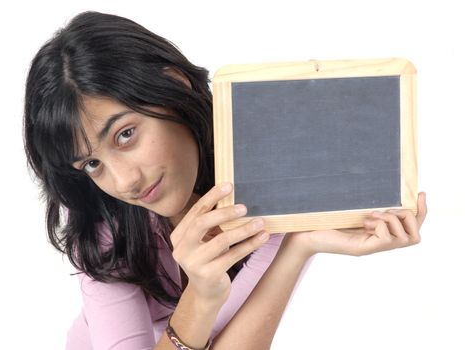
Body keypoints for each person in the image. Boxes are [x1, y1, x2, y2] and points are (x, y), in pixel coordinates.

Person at [23, 11, 427, 350]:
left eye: (125, 134)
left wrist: (300, 244)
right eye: (92, 163)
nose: (125, 180)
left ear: (175, 88)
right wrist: (202, 292)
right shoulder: (104, 233)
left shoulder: (267, 191)